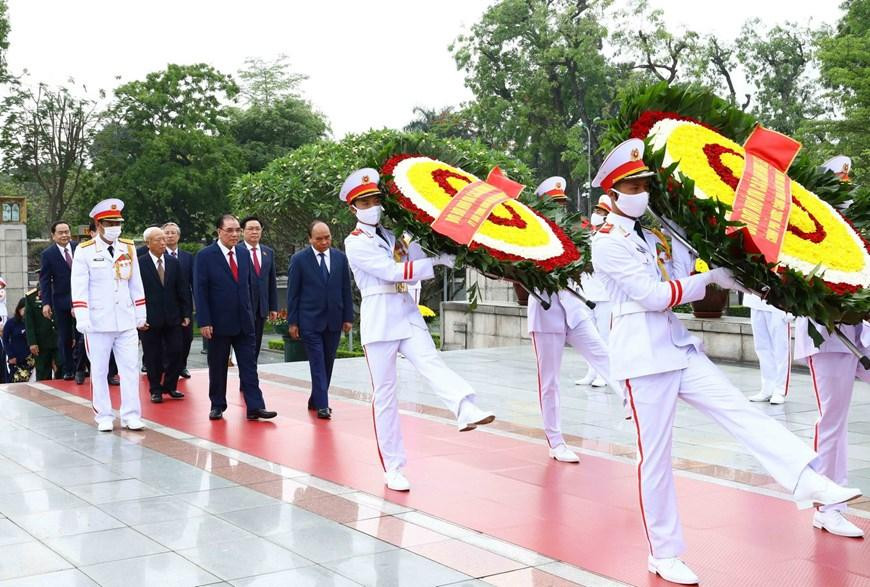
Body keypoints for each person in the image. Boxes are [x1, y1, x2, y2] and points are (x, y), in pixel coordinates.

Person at [590, 139, 861, 585]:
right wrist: (710, 280)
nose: (642, 191)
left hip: (676, 346)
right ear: (612, 192)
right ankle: (664, 552)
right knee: (654, 458)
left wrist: (695, 239)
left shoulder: (655, 231)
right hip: (641, 357)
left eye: (645, 184)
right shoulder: (606, 242)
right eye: (634, 184)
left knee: (739, 410)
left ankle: (809, 479)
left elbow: (679, 270)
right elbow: (656, 296)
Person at [342, 167, 495, 492]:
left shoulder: (392, 236)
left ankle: (465, 407)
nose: (373, 206)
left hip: (406, 313)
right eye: (365, 201)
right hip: (380, 318)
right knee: (385, 396)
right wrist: (437, 261)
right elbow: (389, 271)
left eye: (376, 200)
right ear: (353, 208)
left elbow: (408, 267)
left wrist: (423, 233)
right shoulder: (354, 242)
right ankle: (393, 467)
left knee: (432, 363)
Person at [788, 154, 865, 539]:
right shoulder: (809, 230)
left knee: (837, 419)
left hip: (859, 331)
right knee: (832, 420)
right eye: (840, 186)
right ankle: (826, 506)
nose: (846, 194)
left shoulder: (854, 230)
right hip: (828, 335)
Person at [528, 177, 620, 463]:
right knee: (550, 381)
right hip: (546, 312)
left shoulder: (576, 232)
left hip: (576, 308)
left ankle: (633, 404)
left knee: (604, 357)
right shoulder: (528, 234)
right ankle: (555, 441)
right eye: (554, 204)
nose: (560, 209)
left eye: (562, 203)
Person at [71, 199, 146, 432]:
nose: (115, 226)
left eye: (118, 222)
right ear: (99, 224)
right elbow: (79, 286)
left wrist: (140, 312)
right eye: (110, 222)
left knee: (130, 369)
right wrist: (82, 317)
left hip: (125, 319)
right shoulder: (84, 251)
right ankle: (103, 414)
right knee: (100, 370)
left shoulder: (128, 247)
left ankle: (131, 414)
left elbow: (136, 283)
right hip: (97, 321)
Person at [194, 214, 277, 422]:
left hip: (244, 321)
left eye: (237, 230)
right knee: (218, 365)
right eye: (229, 230)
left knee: (249, 365)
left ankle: (255, 406)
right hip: (218, 322)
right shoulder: (205, 256)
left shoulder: (243, 254)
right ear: (219, 232)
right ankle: (217, 405)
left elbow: (249, 286)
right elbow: (200, 290)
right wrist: (204, 321)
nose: (234, 234)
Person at [287, 220, 354, 419]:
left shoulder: (340, 258)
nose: (324, 242)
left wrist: (348, 317)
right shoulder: (299, 260)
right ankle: (323, 405)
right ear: (310, 239)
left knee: (327, 363)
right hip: (309, 321)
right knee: (316, 362)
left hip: (334, 319)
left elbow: (345, 289)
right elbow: (293, 293)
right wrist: (293, 322)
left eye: (327, 238)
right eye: (319, 239)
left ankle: (316, 399)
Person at [138, 227, 191, 404]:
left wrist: (186, 313)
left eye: (163, 239)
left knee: (177, 351)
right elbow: (135, 293)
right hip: (149, 319)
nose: (163, 242)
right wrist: (138, 317)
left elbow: (182, 289)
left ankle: (170, 385)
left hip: (173, 317)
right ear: (148, 243)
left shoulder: (173, 262)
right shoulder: (139, 263)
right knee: (153, 356)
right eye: (158, 240)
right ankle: (155, 390)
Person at [576, 195, 615, 388]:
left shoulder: (610, 237)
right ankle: (591, 372)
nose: (595, 215)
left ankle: (605, 374)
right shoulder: (588, 236)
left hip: (605, 295)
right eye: (596, 211)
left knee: (604, 336)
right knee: (590, 337)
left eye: (600, 213)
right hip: (587, 294)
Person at [39, 221, 84, 381]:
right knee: (64, 337)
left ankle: (81, 367)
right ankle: (68, 369)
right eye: (61, 232)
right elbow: (44, 280)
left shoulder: (80, 248)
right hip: (60, 301)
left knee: (82, 335)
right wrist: (46, 303)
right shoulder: (48, 254)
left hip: (80, 298)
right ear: (53, 235)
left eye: (67, 231)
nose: (65, 235)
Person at [240, 216, 278, 358]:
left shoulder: (268, 252)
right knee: (244, 344)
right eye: (250, 229)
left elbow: (271, 282)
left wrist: (273, 307)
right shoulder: (237, 251)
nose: (254, 232)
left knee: (256, 344)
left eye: (257, 229)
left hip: (261, 307)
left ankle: (251, 373)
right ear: (243, 231)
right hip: (243, 307)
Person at [745, 293, 792, 404]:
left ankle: (779, 390)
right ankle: (767, 388)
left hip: (779, 303)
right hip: (755, 300)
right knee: (762, 348)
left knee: (781, 348)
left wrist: (791, 308)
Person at [163, 222, 195, 378]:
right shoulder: (159, 256)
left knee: (187, 338)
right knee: (166, 340)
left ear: (178, 236)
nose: (170, 235)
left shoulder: (188, 257)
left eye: (173, 233)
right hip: (165, 305)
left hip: (184, 305)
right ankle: (166, 367)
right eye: (167, 233)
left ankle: (182, 366)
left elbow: (193, 282)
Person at [24, 284, 60, 381]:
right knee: (43, 373)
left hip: (59, 339)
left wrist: (71, 335)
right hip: (41, 342)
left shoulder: (61, 289)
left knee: (63, 369)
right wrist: (32, 342)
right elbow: (29, 322)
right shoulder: (31, 296)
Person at [3, 298, 33, 382]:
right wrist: (11, 355)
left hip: (31, 359)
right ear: (19, 309)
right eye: (24, 310)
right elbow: (5, 339)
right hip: (16, 359)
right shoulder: (11, 323)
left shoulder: (31, 323)